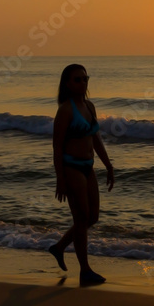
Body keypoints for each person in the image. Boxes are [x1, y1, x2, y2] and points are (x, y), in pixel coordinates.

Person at [48, 63, 114, 284]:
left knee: (91, 217)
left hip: (88, 167)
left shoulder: (89, 106)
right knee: (81, 218)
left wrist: (108, 165)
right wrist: (61, 181)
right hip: (71, 168)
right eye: (77, 79)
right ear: (67, 83)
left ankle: (59, 247)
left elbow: (95, 139)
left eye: (85, 78)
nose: (83, 82)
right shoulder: (65, 110)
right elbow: (57, 148)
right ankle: (85, 271)